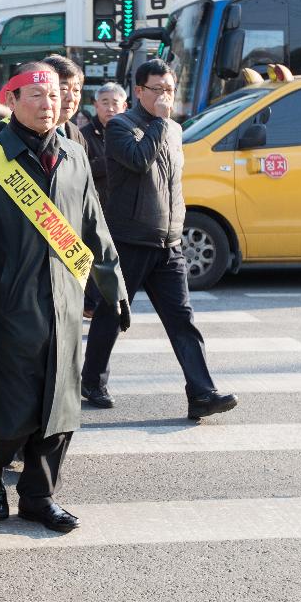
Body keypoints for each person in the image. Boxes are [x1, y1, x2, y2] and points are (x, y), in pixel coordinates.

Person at [0, 61, 127, 534]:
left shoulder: (74, 155)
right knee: (14, 408)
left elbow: (94, 225)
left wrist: (113, 288)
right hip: (10, 304)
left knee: (62, 406)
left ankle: (39, 496)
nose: (47, 103)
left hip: (65, 300)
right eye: (34, 94)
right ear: (10, 100)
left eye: (54, 94)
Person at [81, 60, 238, 421]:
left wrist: (178, 225)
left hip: (168, 243)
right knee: (111, 311)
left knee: (182, 319)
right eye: (157, 90)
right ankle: (93, 380)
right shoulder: (120, 126)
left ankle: (201, 392)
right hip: (130, 238)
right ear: (138, 92)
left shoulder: (173, 130)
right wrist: (161, 123)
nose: (165, 96)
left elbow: (173, 182)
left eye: (169, 89)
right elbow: (138, 161)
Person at [80, 82, 127, 208]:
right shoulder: (83, 135)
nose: (110, 108)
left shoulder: (133, 133)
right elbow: (80, 170)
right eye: (105, 103)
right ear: (96, 105)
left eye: (115, 103)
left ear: (124, 106)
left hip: (127, 205)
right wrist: (115, 159)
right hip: (96, 205)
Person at [41, 54, 89, 151]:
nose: (71, 98)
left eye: (76, 90)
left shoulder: (77, 134)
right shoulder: (24, 132)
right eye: (63, 89)